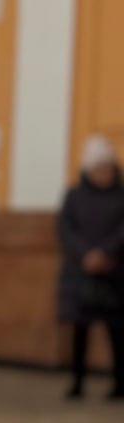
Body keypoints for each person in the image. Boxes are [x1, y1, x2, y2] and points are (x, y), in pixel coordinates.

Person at [57, 133, 124, 399]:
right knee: (80, 330)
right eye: (100, 169)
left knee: (117, 332)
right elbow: (65, 229)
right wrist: (86, 254)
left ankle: (119, 383)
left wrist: (106, 253)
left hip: (115, 272)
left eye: (108, 169)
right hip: (81, 272)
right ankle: (77, 382)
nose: (105, 174)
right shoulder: (74, 196)